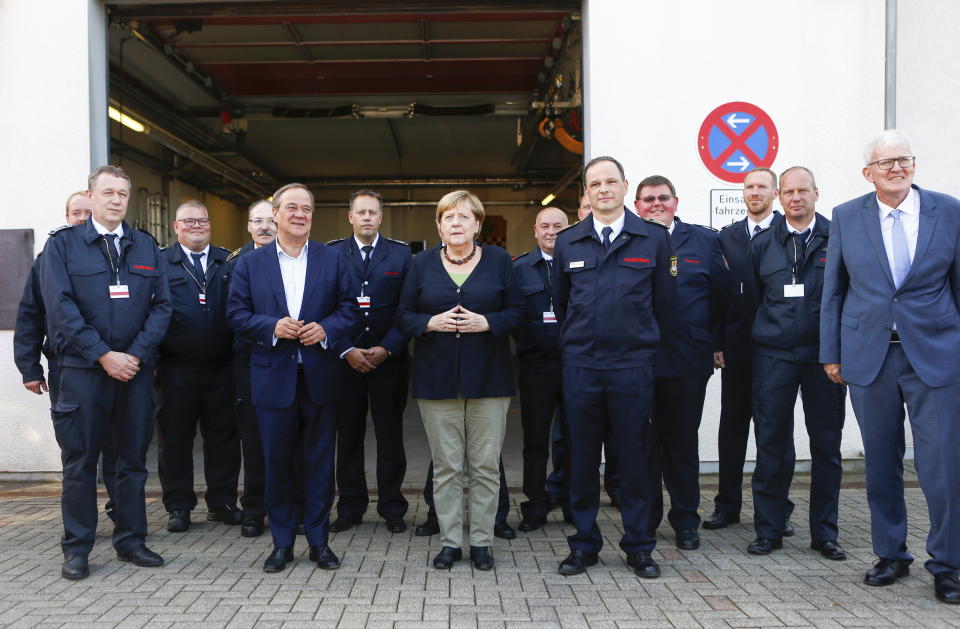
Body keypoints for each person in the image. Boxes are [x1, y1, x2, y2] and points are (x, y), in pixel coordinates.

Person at [821, 130, 960, 603]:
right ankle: (891, 554)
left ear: (914, 165)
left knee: (942, 464)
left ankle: (948, 563)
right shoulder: (846, 216)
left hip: (936, 355)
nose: (896, 168)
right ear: (869, 173)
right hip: (870, 356)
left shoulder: (949, 210)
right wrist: (831, 352)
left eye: (904, 160)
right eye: (886, 163)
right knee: (881, 462)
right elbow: (834, 292)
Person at [40, 165, 172, 579]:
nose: (116, 200)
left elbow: (162, 306)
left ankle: (131, 541)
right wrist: (103, 355)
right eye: (108, 192)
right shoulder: (62, 247)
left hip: (133, 373)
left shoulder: (146, 246)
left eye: (122, 194)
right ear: (91, 196)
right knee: (80, 462)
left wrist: (133, 355)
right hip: (83, 372)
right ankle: (77, 548)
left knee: (132, 462)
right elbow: (61, 310)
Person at [552, 156, 675, 578]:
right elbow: (561, 302)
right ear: (586, 192)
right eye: (594, 183)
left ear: (625, 187)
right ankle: (584, 544)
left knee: (634, 460)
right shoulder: (569, 242)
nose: (603, 189)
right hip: (582, 367)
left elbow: (664, 303)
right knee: (582, 459)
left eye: (610, 181)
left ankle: (639, 546)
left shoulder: (653, 239)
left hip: (632, 368)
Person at [226, 183, 358, 573]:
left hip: (320, 377)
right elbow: (235, 314)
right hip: (271, 379)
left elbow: (351, 308)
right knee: (276, 464)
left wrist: (328, 329)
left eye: (307, 209)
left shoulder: (333, 260)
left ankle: (319, 541)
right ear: (277, 214)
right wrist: (271, 326)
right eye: (292, 208)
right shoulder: (251, 263)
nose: (300, 214)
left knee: (319, 463)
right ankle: (281, 542)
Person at [397, 190, 523, 571]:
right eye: (448, 218)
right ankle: (451, 541)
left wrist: (489, 322)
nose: (456, 224)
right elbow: (402, 314)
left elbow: (519, 311)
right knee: (447, 465)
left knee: (484, 466)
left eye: (464, 218)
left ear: (477, 225)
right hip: (436, 382)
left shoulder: (500, 261)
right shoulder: (420, 264)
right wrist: (427, 323)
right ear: (438, 225)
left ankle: (482, 542)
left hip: (490, 380)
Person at [744, 166, 846, 560]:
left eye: (803, 191)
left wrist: (838, 352)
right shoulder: (764, 243)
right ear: (779, 197)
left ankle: (825, 534)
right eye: (788, 192)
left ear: (816, 193)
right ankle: (768, 530)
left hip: (824, 360)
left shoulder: (837, 238)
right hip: (774, 356)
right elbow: (753, 299)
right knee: (771, 444)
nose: (795, 198)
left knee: (826, 446)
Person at [634, 176, 727, 550]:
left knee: (682, 444)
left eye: (663, 198)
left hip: (687, 359)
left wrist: (714, 342)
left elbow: (722, 297)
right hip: (637, 361)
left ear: (675, 201)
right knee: (642, 445)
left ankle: (686, 520)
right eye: (648, 200)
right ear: (637, 205)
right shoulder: (628, 240)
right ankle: (647, 519)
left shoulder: (704, 241)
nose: (656, 205)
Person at [327, 189, 412, 534]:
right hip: (345, 362)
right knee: (348, 436)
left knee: (390, 435)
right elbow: (325, 306)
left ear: (380, 217)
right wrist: (346, 349)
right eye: (360, 212)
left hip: (388, 362)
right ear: (350, 217)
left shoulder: (402, 256)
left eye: (372, 212)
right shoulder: (330, 254)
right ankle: (350, 506)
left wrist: (387, 348)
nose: (366, 217)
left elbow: (408, 309)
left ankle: (392, 507)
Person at [707, 168, 785, 531]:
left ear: (775, 193)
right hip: (737, 348)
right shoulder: (727, 237)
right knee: (732, 429)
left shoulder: (789, 233)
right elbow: (718, 295)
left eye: (762, 187)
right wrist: (717, 342)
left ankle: (777, 509)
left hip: (778, 348)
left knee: (775, 432)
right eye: (750, 187)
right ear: (743, 193)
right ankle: (728, 506)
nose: (755, 192)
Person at [157, 200, 242, 533]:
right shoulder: (161, 262)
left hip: (223, 367)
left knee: (223, 439)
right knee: (175, 441)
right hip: (176, 369)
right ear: (176, 227)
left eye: (202, 221)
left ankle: (221, 504)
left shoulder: (228, 262)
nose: (197, 226)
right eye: (189, 221)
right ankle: (178, 506)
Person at [512, 206, 569, 532]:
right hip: (536, 366)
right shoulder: (519, 268)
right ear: (535, 230)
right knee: (535, 441)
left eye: (558, 227)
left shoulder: (579, 265)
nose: (551, 232)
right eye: (545, 226)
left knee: (575, 439)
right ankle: (535, 505)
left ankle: (573, 502)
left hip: (575, 364)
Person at [227, 199, 278, 537]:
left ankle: (291, 506)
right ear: (248, 225)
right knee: (254, 440)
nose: (264, 227)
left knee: (291, 439)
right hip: (249, 362)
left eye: (271, 221)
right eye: (257, 220)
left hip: (289, 361)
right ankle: (254, 508)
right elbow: (229, 317)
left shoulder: (295, 260)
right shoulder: (235, 264)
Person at [15, 192, 92, 399]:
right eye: (77, 212)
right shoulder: (47, 260)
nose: (83, 217)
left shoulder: (116, 256)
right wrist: (29, 368)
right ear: (67, 217)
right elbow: (30, 314)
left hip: (108, 364)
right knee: (70, 429)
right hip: (64, 364)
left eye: (89, 212)